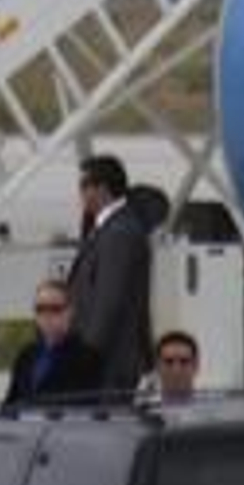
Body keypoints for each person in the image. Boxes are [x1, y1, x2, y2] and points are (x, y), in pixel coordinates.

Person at [67, 154, 152, 392]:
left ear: (102, 189)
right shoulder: (108, 229)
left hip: (108, 364)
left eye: (84, 186)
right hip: (105, 362)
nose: (80, 194)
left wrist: (87, 356)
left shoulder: (119, 233)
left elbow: (108, 301)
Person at [3, 279, 101, 405]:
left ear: (70, 311)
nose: (46, 315)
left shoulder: (87, 358)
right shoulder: (25, 355)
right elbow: (11, 402)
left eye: (55, 309)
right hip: (27, 423)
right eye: (40, 309)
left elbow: (87, 406)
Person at [149, 329, 200, 402]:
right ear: (158, 366)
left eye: (184, 362)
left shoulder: (214, 410)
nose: (176, 370)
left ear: (195, 365)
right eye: (169, 362)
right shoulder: (140, 410)